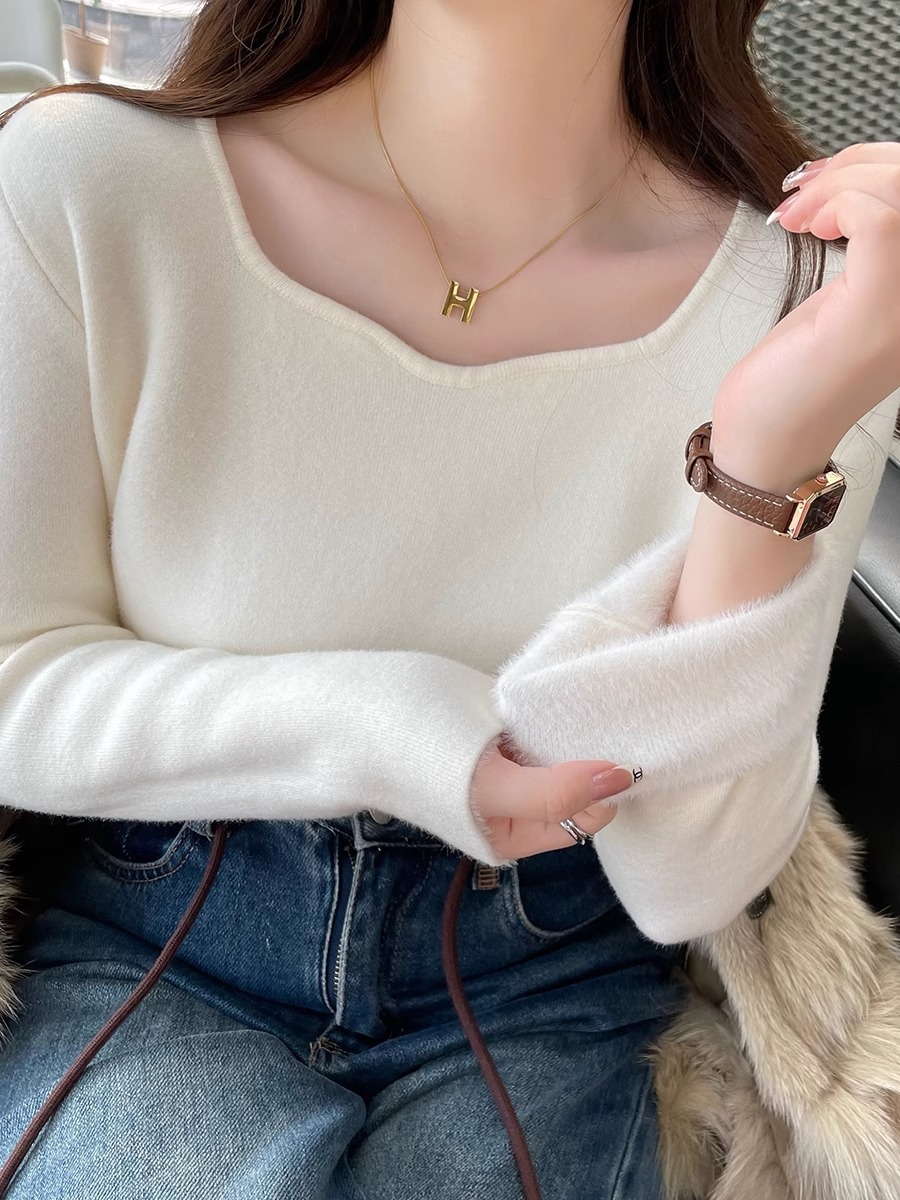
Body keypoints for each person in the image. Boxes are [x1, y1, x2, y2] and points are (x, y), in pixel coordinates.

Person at [0, 0, 898, 1197]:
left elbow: (697, 881)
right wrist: (399, 731)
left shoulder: (818, 293)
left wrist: (765, 454)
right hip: (160, 934)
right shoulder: (86, 183)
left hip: (550, 970)